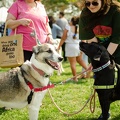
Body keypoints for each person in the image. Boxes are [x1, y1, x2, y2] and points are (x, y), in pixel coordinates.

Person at [79, 0, 120, 65]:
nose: (91, 6)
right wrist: (97, 61)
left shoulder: (116, 11)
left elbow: (116, 39)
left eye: (95, 3)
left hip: (117, 50)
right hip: (99, 53)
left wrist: (105, 59)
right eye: (87, 3)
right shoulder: (85, 13)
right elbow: (93, 41)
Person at [57, 16, 88, 82]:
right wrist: (83, 48)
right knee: (80, 60)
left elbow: (63, 38)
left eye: (70, 20)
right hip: (79, 46)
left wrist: (59, 46)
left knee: (72, 63)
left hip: (70, 46)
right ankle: (89, 69)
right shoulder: (80, 28)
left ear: (73, 21)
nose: (69, 22)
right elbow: (84, 39)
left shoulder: (68, 27)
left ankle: (75, 78)